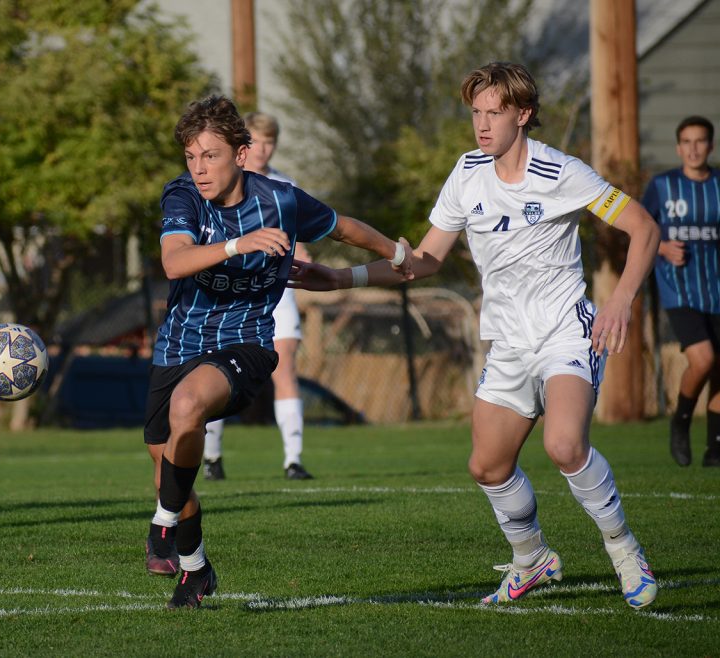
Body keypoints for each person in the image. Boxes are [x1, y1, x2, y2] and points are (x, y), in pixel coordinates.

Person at [288, 62, 660, 610]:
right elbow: (427, 260)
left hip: (564, 332)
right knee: (486, 466)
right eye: (476, 113)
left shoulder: (562, 173)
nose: (482, 125)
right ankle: (532, 558)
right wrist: (343, 277)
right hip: (508, 343)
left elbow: (643, 227)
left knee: (563, 444)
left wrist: (621, 302)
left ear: (523, 114)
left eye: (494, 113)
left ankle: (624, 548)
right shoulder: (466, 174)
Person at [143, 95, 412, 609]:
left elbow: (343, 227)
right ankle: (196, 569)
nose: (199, 169)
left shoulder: (281, 200)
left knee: (187, 408)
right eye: (191, 157)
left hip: (246, 341)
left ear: (241, 155)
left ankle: (160, 526)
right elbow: (175, 263)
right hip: (179, 342)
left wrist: (398, 254)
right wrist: (236, 245)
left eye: (211, 156)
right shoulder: (182, 196)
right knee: (167, 466)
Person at [203, 111, 314, 481]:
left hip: (276, 291)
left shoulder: (284, 185)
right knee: (218, 370)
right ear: (242, 146)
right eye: (257, 141)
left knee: (285, 369)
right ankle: (212, 455)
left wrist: (303, 254)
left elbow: (298, 236)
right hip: (234, 290)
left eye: (270, 142)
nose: (263, 149)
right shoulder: (222, 186)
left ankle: (293, 460)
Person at [642, 115, 720, 468]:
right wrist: (661, 248)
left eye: (700, 141)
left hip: (716, 288)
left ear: (710, 146)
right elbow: (641, 228)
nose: (693, 148)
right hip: (679, 289)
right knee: (703, 358)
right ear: (678, 148)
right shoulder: (663, 187)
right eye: (686, 142)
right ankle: (681, 420)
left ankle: (715, 448)